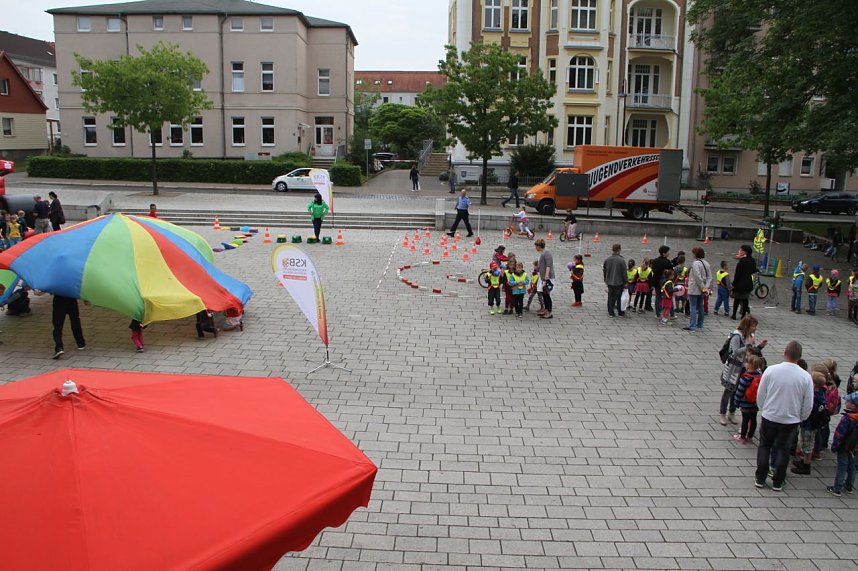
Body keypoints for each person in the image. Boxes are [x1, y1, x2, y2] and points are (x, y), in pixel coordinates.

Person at [754, 341, 814, 491]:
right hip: (791, 420)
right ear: (799, 358)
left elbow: (761, 394)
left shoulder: (771, 371)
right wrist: (801, 417)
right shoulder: (805, 377)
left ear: (784, 352)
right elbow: (808, 403)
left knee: (765, 446)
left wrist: (764, 408)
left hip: (770, 416)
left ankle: (760, 478)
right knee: (783, 449)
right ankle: (778, 481)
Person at [720, 316, 768, 425]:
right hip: (733, 369)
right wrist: (748, 345)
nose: (755, 329)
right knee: (728, 391)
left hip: (744, 369)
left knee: (736, 391)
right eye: (753, 326)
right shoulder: (737, 336)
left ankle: (731, 413)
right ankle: (722, 413)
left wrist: (760, 346)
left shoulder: (750, 336)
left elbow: (752, 351)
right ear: (747, 326)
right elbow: (735, 352)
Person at [791, 372, 828, 475]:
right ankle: (804, 461)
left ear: (814, 384)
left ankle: (806, 465)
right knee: (805, 442)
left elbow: (809, 409)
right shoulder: (821, 393)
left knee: (807, 444)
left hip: (809, 424)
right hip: (810, 424)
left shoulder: (814, 396)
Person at [827, 391, 858, 497]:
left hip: (844, 447)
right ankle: (849, 486)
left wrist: (835, 446)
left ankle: (837, 488)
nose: (846, 403)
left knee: (842, 466)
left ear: (853, 405)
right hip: (854, 448)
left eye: (848, 401)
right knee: (852, 466)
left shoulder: (847, 418)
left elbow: (840, 434)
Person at [733, 352, 765, 444]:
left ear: (750, 365)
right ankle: (750, 436)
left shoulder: (745, 378)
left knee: (745, 421)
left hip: (745, 403)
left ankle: (742, 437)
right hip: (755, 403)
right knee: (753, 420)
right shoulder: (760, 376)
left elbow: (740, 391)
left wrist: (736, 401)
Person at [684, 247, 712, 332]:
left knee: (693, 307)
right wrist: (706, 287)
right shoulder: (706, 263)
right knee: (700, 306)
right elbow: (709, 277)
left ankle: (692, 326)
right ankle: (700, 324)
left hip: (695, 288)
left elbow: (697, 276)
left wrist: (702, 286)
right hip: (702, 288)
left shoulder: (695, 263)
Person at [52, 294, 86, 359]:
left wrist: (41, 290)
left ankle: (59, 348)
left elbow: (51, 285)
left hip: (59, 299)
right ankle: (80, 343)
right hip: (71, 298)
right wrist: (85, 298)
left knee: (57, 325)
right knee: (75, 321)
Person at [731, 245, 756, 320]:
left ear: (745, 252)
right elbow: (753, 270)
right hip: (748, 283)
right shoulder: (752, 261)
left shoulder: (741, 262)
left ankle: (734, 314)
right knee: (745, 300)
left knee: (737, 299)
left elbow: (737, 275)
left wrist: (734, 284)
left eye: (741, 250)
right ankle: (743, 315)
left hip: (739, 283)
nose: (739, 251)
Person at [603, 243, 627, 317]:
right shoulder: (622, 260)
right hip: (619, 282)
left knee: (610, 297)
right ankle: (620, 312)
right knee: (618, 297)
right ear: (619, 250)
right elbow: (624, 272)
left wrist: (605, 279)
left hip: (610, 281)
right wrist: (626, 281)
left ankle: (611, 312)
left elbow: (604, 270)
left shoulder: (607, 260)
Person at [535, 238, 554, 319]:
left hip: (547, 277)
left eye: (536, 246)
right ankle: (546, 310)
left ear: (539, 246)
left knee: (546, 294)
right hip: (542, 276)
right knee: (543, 293)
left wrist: (546, 278)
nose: (535, 248)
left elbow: (548, 266)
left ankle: (549, 311)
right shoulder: (543, 253)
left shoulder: (546, 253)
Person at [650, 245, 672, 315]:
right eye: (668, 252)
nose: (669, 253)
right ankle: (666, 311)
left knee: (658, 297)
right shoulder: (667, 262)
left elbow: (653, 270)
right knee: (666, 296)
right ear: (664, 253)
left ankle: (657, 313)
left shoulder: (655, 261)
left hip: (656, 281)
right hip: (664, 282)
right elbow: (670, 271)